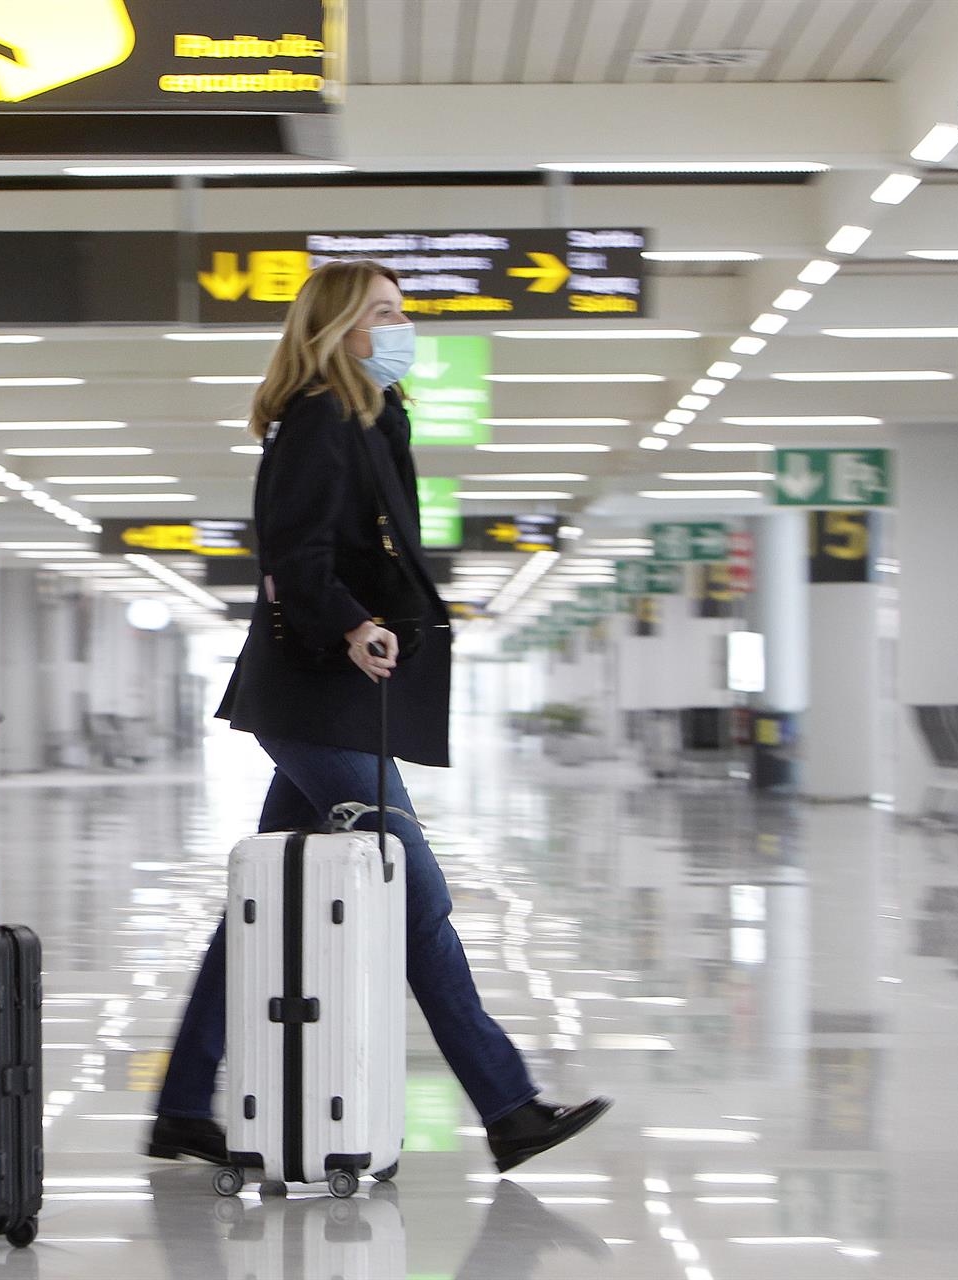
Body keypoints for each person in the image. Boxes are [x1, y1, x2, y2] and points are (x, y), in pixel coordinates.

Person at [146, 260, 611, 1176]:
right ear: (335, 330)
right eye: (385, 314)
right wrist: (354, 623)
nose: (403, 329)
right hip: (318, 696)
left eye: (403, 312)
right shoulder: (319, 417)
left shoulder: (370, 416)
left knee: (256, 910)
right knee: (414, 890)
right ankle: (509, 1106)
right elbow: (295, 556)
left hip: (335, 699)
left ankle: (181, 1107)